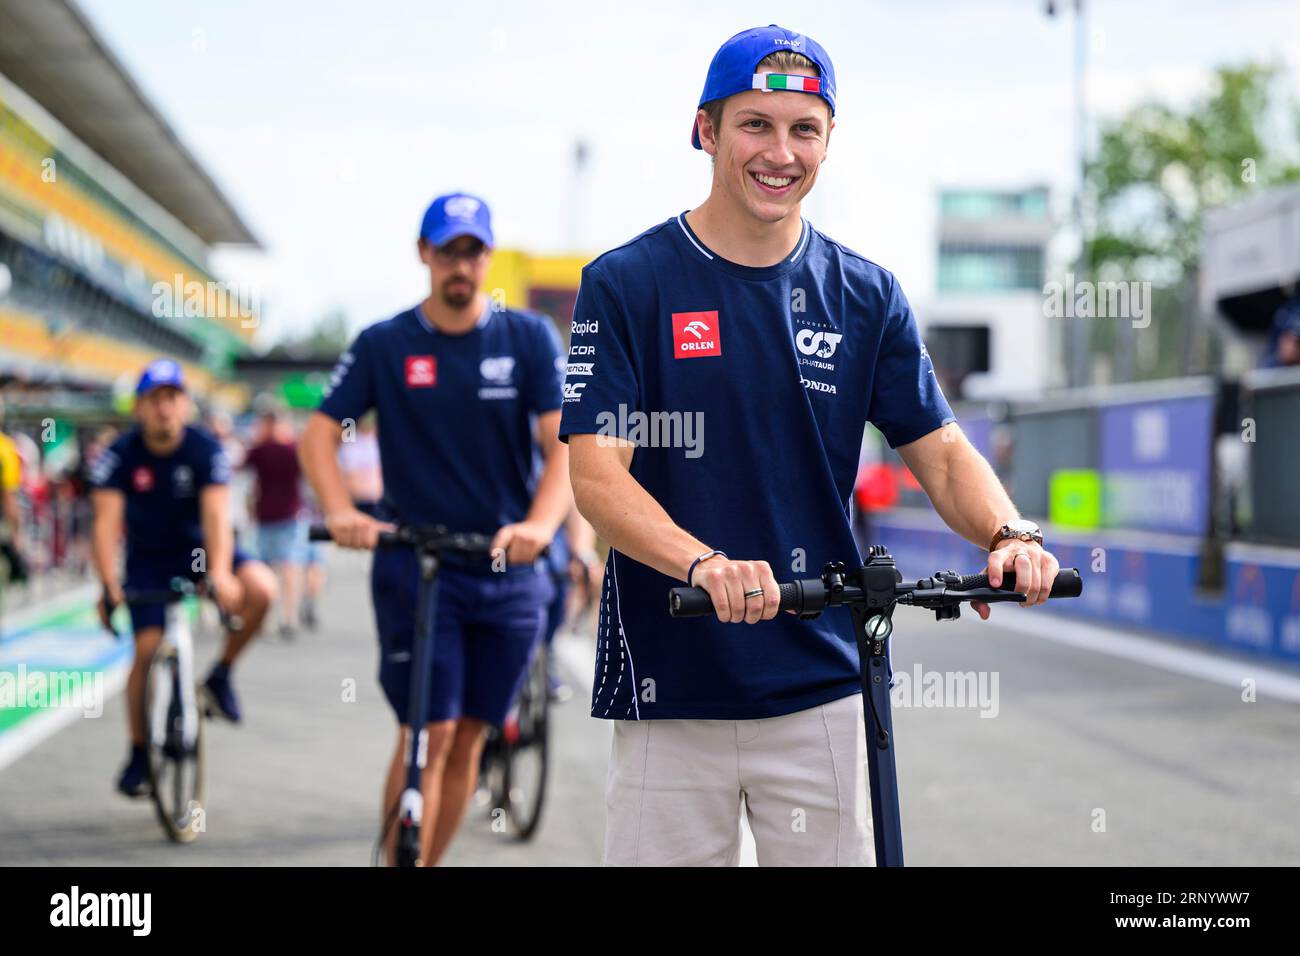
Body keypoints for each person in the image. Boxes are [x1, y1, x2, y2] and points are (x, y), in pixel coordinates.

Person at [561, 24, 1064, 867]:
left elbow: (940, 450)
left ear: (829, 140)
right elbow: (596, 475)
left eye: (804, 129)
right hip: (673, 688)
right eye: (755, 124)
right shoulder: (627, 281)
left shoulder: (866, 294)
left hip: (824, 684)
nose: (780, 152)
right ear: (705, 130)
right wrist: (704, 564)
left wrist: (1009, 535)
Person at [299, 191, 571, 866]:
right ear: (424, 254)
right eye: (448, 250)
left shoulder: (527, 337)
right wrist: (341, 512)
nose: (461, 265)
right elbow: (317, 435)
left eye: (473, 251)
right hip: (419, 567)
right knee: (429, 733)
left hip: (509, 570)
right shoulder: (385, 343)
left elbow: (564, 445)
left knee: (472, 737)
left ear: (488, 258)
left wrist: (540, 523)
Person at [90, 360, 277, 796]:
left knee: (263, 589)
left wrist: (220, 573)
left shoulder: (206, 449)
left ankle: (221, 675)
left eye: (173, 398)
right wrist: (107, 583)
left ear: (186, 404)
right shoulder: (118, 455)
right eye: (154, 400)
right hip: (149, 559)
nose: (164, 409)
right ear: (139, 408)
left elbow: (216, 514)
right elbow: (104, 523)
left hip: (199, 552)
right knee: (146, 649)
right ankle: (139, 751)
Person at [243, 408, 307, 638]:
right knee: (289, 565)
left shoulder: (259, 450)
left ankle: (269, 618)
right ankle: (288, 617)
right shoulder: (292, 449)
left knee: (269, 567)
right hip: (287, 514)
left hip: (270, 515)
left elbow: (239, 468)